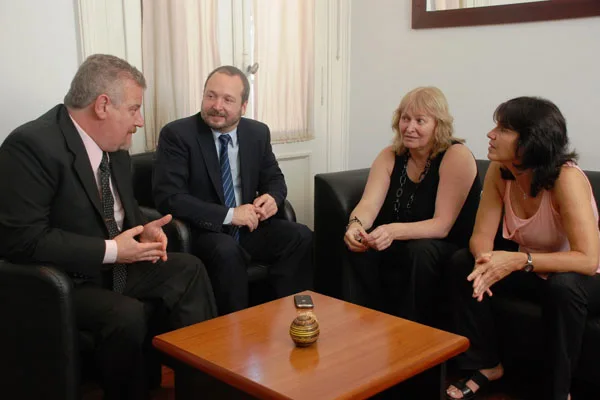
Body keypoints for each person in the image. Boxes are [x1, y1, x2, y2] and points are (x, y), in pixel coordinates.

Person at [0, 54, 217, 400]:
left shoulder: (115, 146)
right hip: (63, 280)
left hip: (114, 266)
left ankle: (205, 389)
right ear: (103, 105)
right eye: (134, 109)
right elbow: (21, 240)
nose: (140, 121)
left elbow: (116, 211)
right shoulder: (31, 147)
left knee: (188, 270)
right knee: (125, 314)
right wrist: (114, 250)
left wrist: (142, 229)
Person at [446, 97, 600, 400]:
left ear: (531, 141)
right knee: (462, 262)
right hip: (535, 270)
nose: (491, 134)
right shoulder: (499, 172)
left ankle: (558, 392)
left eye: (503, 129)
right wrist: (485, 261)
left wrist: (518, 260)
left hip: (585, 277)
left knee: (564, 286)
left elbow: (587, 259)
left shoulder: (565, 179)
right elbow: (481, 235)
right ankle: (486, 365)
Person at [152, 65, 313, 315]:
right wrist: (229, 214)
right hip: (204, 231)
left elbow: (275, 180)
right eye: (211, 96)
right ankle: (233, 332)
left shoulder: (257, 133)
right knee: (226, 250)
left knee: (300, 236)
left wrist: (272, 197)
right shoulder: (178, 134)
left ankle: (284, 316)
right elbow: (170, 198)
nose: (217, 105)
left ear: (243, 106)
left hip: (248, 228)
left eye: (228, 99)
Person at [343, 86, 481, 325]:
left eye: (420, 120)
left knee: (420, 251)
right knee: (357, 247)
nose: (410, 127)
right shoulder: (390, 155)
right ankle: (360, 326)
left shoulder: (456, 155)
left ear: (439, 125)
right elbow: (368, 204)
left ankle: (414, 336)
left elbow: (442, 226)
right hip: (399, 241)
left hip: (445, 246)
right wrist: (355, 226)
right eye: (405, 118)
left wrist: (391, 231)